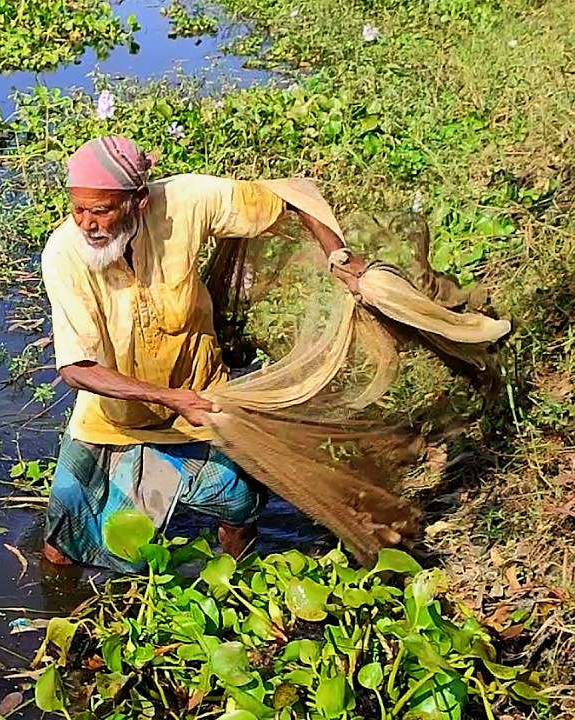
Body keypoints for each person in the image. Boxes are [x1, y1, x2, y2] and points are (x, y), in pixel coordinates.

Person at [40, 136, 368, 571]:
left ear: (138, 201)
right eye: (78, 208)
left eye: (101, 210)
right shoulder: (65, 255)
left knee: (239, 504)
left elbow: (292, 195)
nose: (87, 223)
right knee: (63, 548)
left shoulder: (184, 201)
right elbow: (78, 370)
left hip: (202, 399)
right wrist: (169, 398)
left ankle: (237, 581)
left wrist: (339, 255)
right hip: (115, 417)